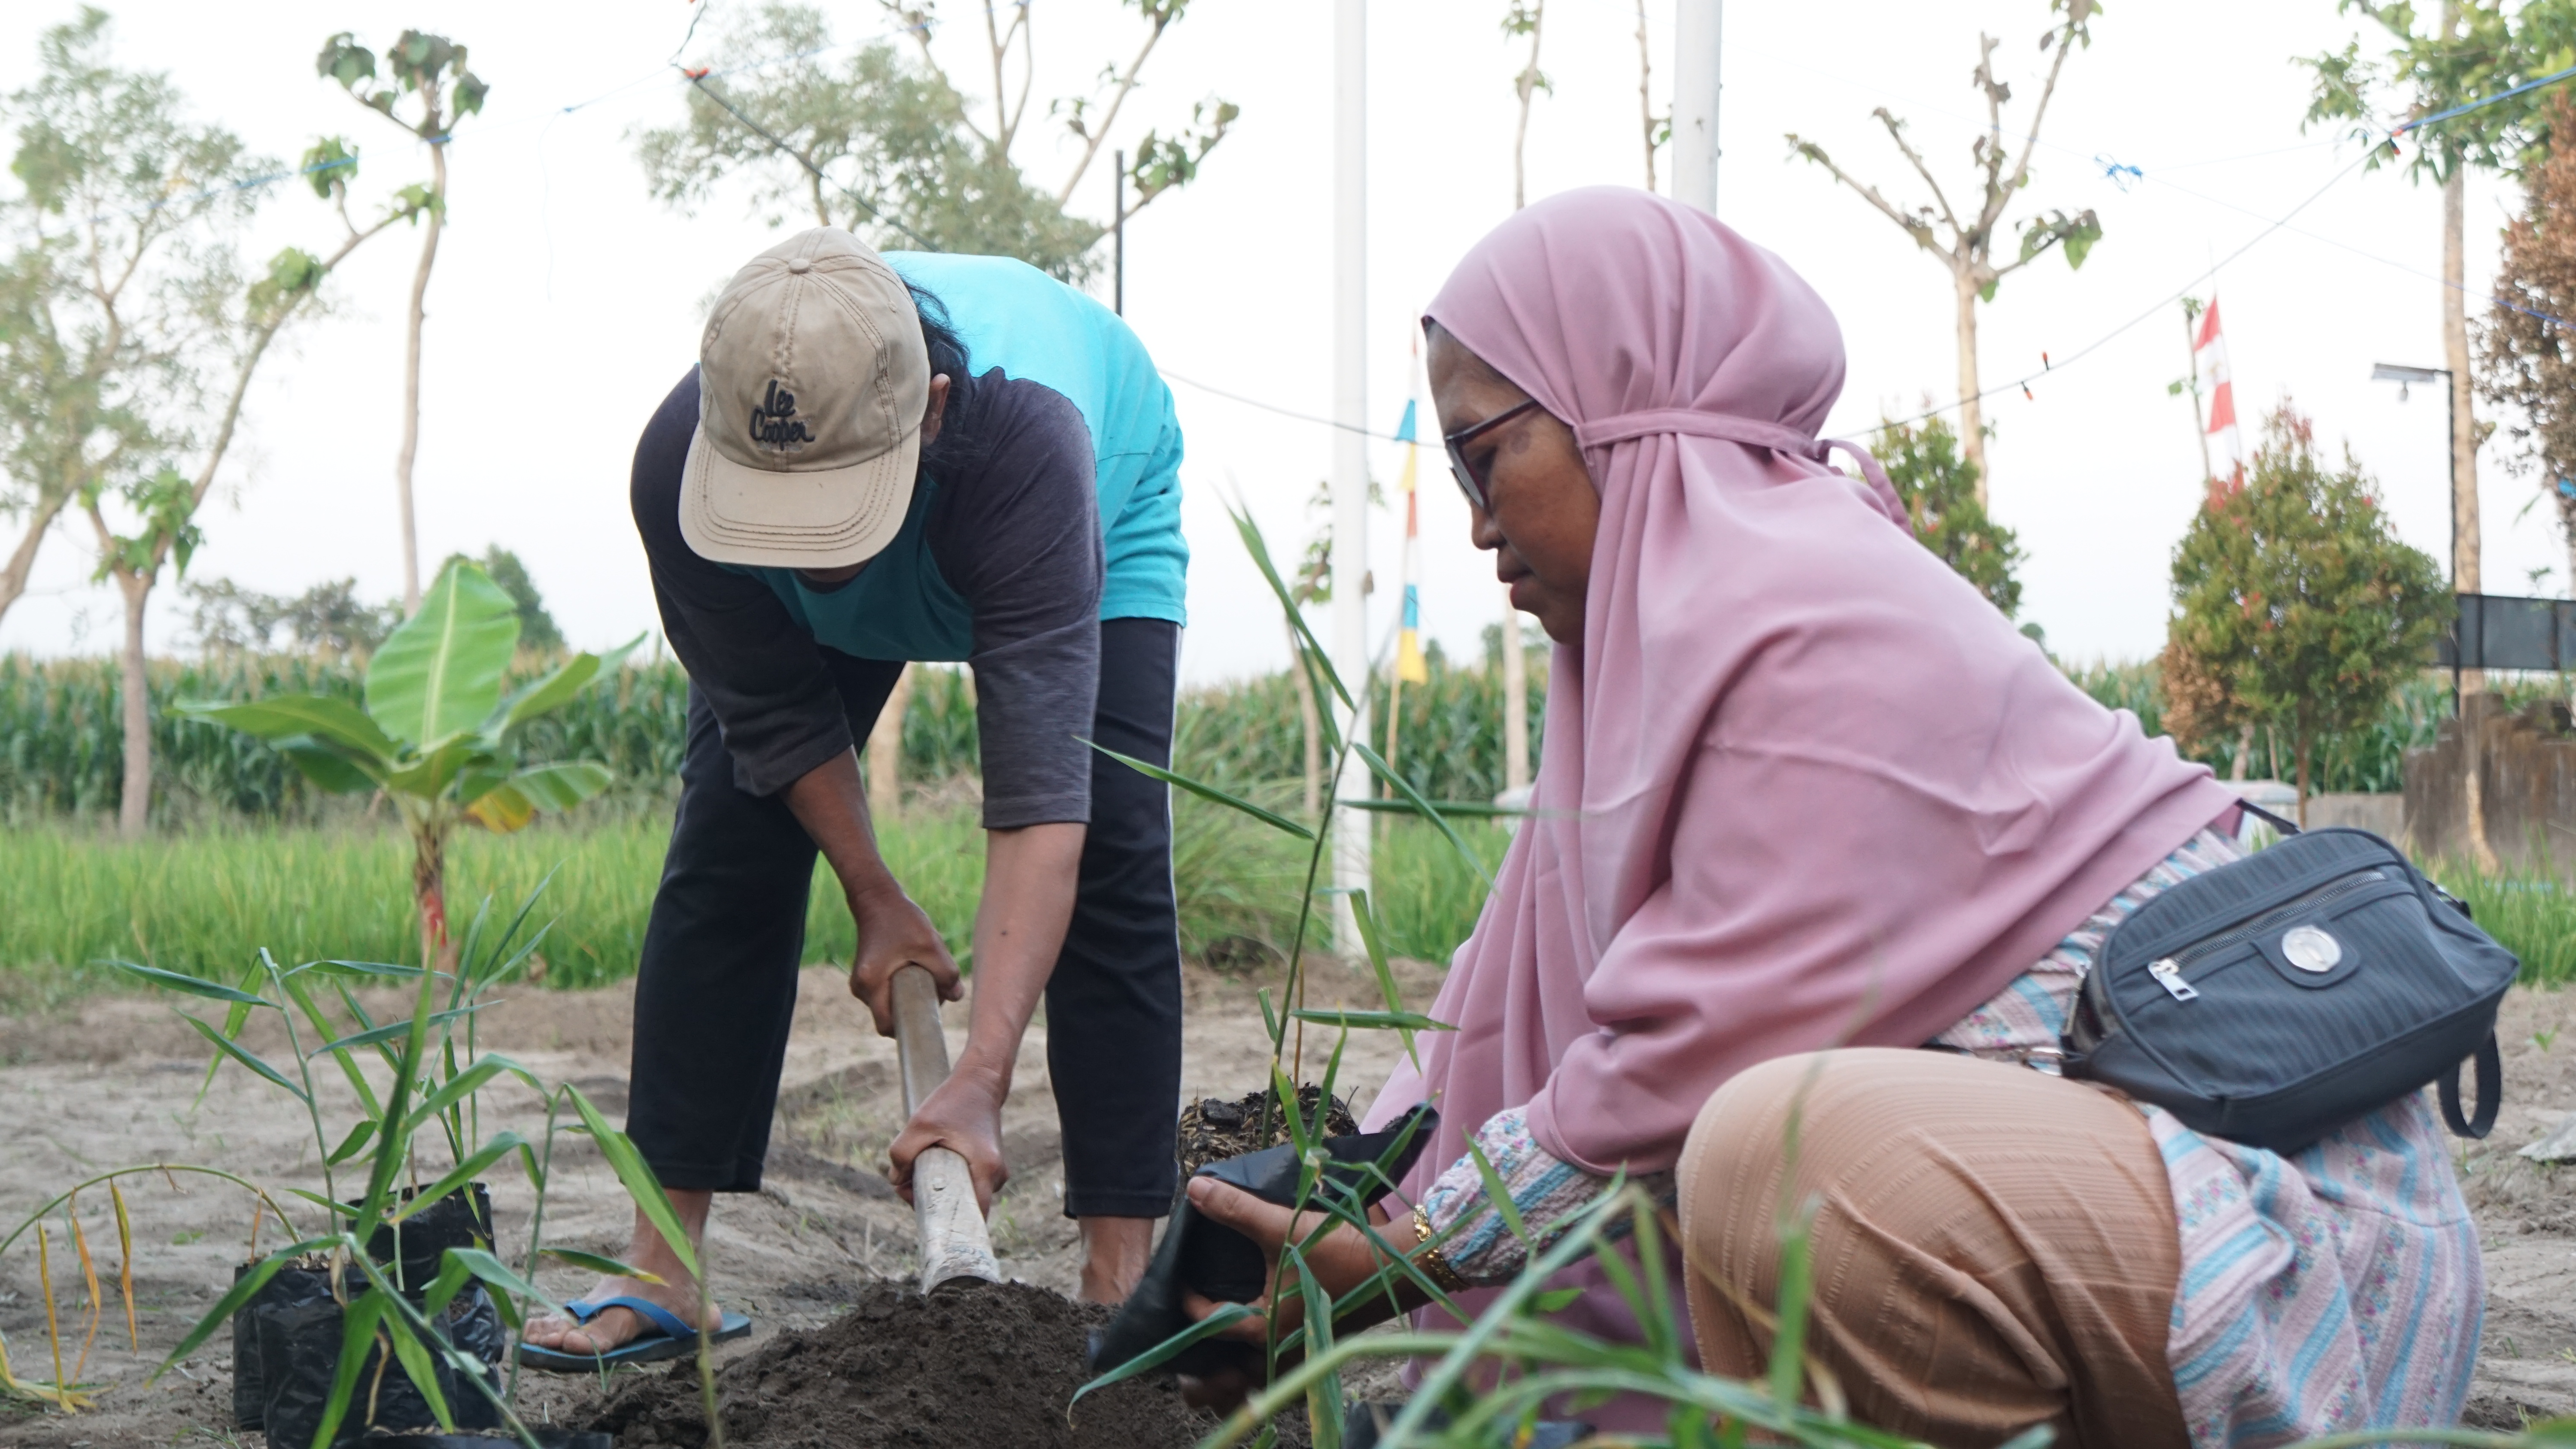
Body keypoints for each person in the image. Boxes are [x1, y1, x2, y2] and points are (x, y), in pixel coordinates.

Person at [1176, 188, 2482, 1447]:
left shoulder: (1816, 625)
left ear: (1614, 411)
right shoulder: (1661, 672)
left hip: (2275, 1253)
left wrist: (1400, 1257)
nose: (1474, 527)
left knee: (1772, 1156)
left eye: (1484, 456)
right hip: (2069, 1215)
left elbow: (1672, 1071)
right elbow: (1498, 1012)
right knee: (1754, 1155)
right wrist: (1340, 1196)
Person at [522, 227, 1190, 1364]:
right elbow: (776, 725)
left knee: (1117, 846)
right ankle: (661, 1267)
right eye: (777, 506)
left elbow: (1041, 803)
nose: (809, 546)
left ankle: (1118, 1282)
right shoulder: (676, 463)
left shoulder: (1028, 443)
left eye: (835, 504)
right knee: (730, 836)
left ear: (931, 410)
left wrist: (980, 1079)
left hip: (1091, 501)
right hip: (883, 520)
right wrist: (876, 897)